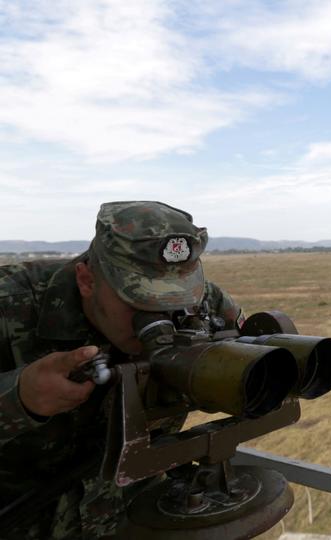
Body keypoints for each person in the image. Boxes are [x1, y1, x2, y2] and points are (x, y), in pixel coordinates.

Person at [0, 201, 243, 538]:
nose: (164, 316)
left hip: (135, 518)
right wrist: (19, 399)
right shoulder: (10, 303)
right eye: (141, 301)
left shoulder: (207, 305)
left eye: (177, 300)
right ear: (86, 280)